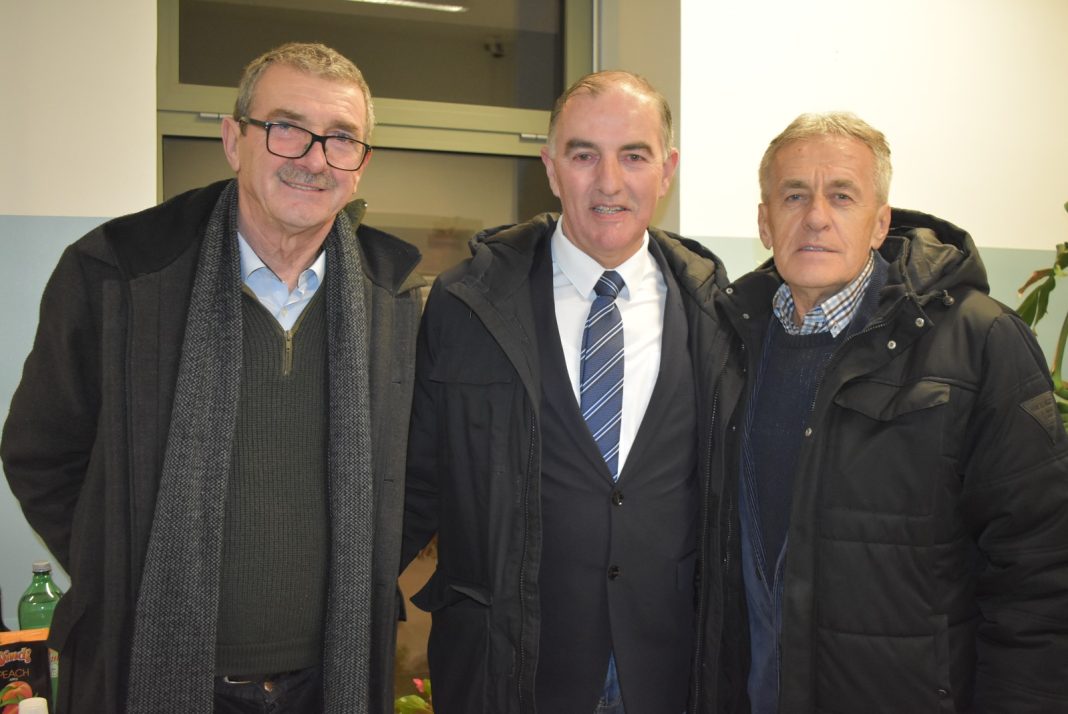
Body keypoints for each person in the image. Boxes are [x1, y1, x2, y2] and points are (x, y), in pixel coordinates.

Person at [1, 42, 424, 713]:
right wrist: (123, 568)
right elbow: (41, 453)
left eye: (341, 138)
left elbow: (418, 476)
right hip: (151, 667)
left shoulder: (395, 301)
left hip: (330, 680)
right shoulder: (117, 275)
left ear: (360, 164)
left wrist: (366, 569)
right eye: (287, 127)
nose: (315, 158)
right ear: (234, 139)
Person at [401, 70, 734, 714]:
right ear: (552, 169)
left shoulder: (718, 312)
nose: (609, 182)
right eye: (584, 156)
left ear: (666, 171)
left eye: (633, 156)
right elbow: (415, 481)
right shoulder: (467, 304)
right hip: (511, 669)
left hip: (669, 671)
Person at [712, 111, 1068, 712]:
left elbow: (1038, 570)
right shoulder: (728, 341)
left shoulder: (979, 342)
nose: (815, 216)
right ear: (764, 222)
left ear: (879, 223)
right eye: (793, 195)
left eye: (842, 196)